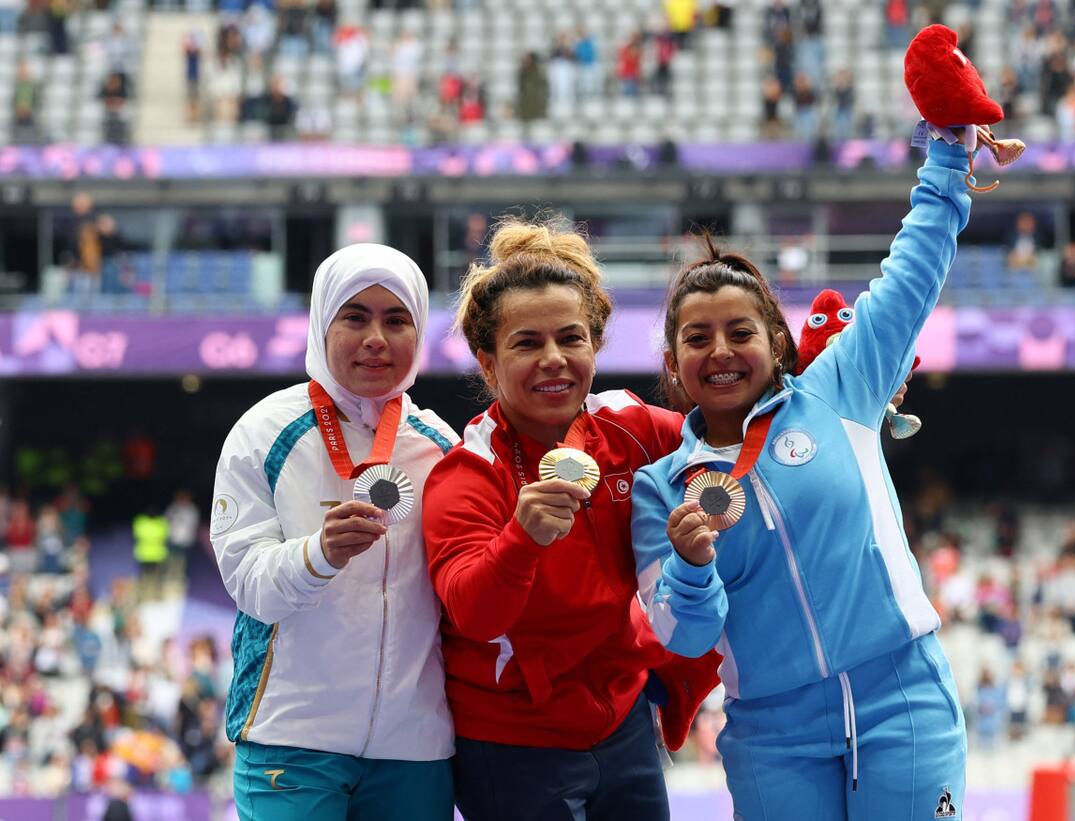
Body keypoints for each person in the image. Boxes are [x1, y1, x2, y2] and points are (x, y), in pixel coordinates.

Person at [631, 134, 975, 820]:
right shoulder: (661, 488)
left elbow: (911, 275)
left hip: (902, 703)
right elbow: (683, 636)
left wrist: (947, 158)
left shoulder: (839, 390)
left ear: (776, 341)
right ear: (673, 361)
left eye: (740, 331)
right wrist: (694, 565)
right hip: (771, 737)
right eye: (697, 339)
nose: (720, 351)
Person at [422, 218, 718, 821]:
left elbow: (733, 443)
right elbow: (474, 615)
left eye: (571, 338)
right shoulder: (467, 472)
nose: (553, 360)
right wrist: (520, 540)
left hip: (623, 718)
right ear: (487, 363)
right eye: (526, 343)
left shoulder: (633, 430)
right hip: (512, 740)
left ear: (596, 344)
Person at [211, 244, 456, 821]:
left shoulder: (441, 445)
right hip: (291, 738)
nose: (377, 338)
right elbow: (248, 584)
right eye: (356, 317)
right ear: (322, 324)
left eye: (396, 320)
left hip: (415, 746)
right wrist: (317, 554)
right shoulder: (264, 432)